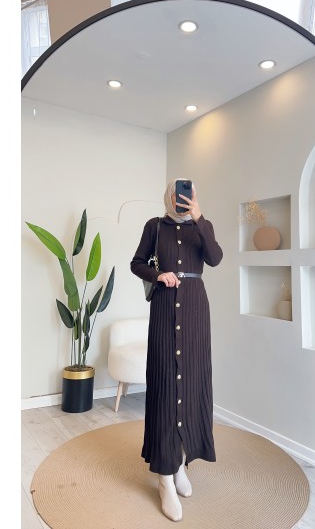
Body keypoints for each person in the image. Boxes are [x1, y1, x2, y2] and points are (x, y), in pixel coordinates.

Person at [130, 178, 223, 522]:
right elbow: (136, 263)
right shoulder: (154, 226)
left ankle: (181, 462)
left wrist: (199, 218)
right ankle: (165, 477)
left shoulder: (203, 225)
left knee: (193, 384)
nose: (182, 198)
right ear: (169, 196)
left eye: (188, 194)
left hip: (196, 309)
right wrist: (159, 275)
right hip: (165, 307)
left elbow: (215, 258)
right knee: (167, 385)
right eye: (178, 193)